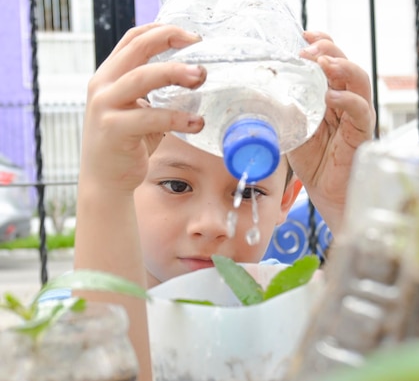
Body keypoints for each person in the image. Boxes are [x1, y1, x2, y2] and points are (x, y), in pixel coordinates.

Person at [72, 23, 375, 381]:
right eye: (176, 185)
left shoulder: (289, 300)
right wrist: (103, 189)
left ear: (285, 200)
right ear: (129, 182)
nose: (212, 224)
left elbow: (401, 361)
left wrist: (348, 208)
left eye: (248, 192)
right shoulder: (72, 311)